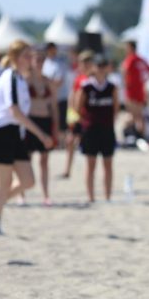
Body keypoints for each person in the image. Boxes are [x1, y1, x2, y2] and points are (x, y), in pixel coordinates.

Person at [0, 40, 53, 237]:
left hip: (13, 132)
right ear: (15, 58)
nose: (30, 59)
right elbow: (14, 110)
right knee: (3, 181)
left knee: (28, 180)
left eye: (31, 56)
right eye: (26, 56)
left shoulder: (21, 79)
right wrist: (40, 133)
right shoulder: (10, 77)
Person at [79, 55, 119, 202]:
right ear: (93, 68)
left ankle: (108, 196)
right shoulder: (87, 86)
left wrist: (110, 122)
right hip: (91, 129)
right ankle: (91, 197)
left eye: (104, 65)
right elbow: (78, 106)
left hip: (107, 129)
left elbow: (116, 108)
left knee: (108, 163)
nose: (101, 69)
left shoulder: (112, 87)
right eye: (99, 66)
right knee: (91, 164)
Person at [25, 50, 59, 205]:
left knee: (44, 159)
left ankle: (45, 194)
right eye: (36, 60)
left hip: (45, 121)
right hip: (30, 121)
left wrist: (56, 127)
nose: (39, 63)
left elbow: (54, 106)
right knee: (27, 158)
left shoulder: (48, 81)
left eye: (41, 60)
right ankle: (22, 193)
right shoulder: (25, 80)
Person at [61, 51, 93, 179]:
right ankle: (67, 169)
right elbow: (72, 95)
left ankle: (86, 172)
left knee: (86, 145)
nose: (83, 65)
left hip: (86, 116)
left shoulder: (91, 79)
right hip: (76, 115)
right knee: (70, 141)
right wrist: (71, 112)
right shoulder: (79, 78)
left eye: (86, 62)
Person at [121, 41, 149, 140]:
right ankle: (141, 137)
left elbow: (124, 72)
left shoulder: (130, 59)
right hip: (140, 91)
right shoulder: (141, 59)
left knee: (133, 116)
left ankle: (131, 136)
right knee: (139, 116)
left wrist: (126, 84)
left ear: (130, 48)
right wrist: (143, 80)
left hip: (131, 91)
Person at [41, 42, 70, 143]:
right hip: (48, 98)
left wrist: (48, 86)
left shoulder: (60, 62)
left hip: (60, 97)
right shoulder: (44, 63)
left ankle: (61, 141)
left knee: (61, 122)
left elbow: (59, 80)